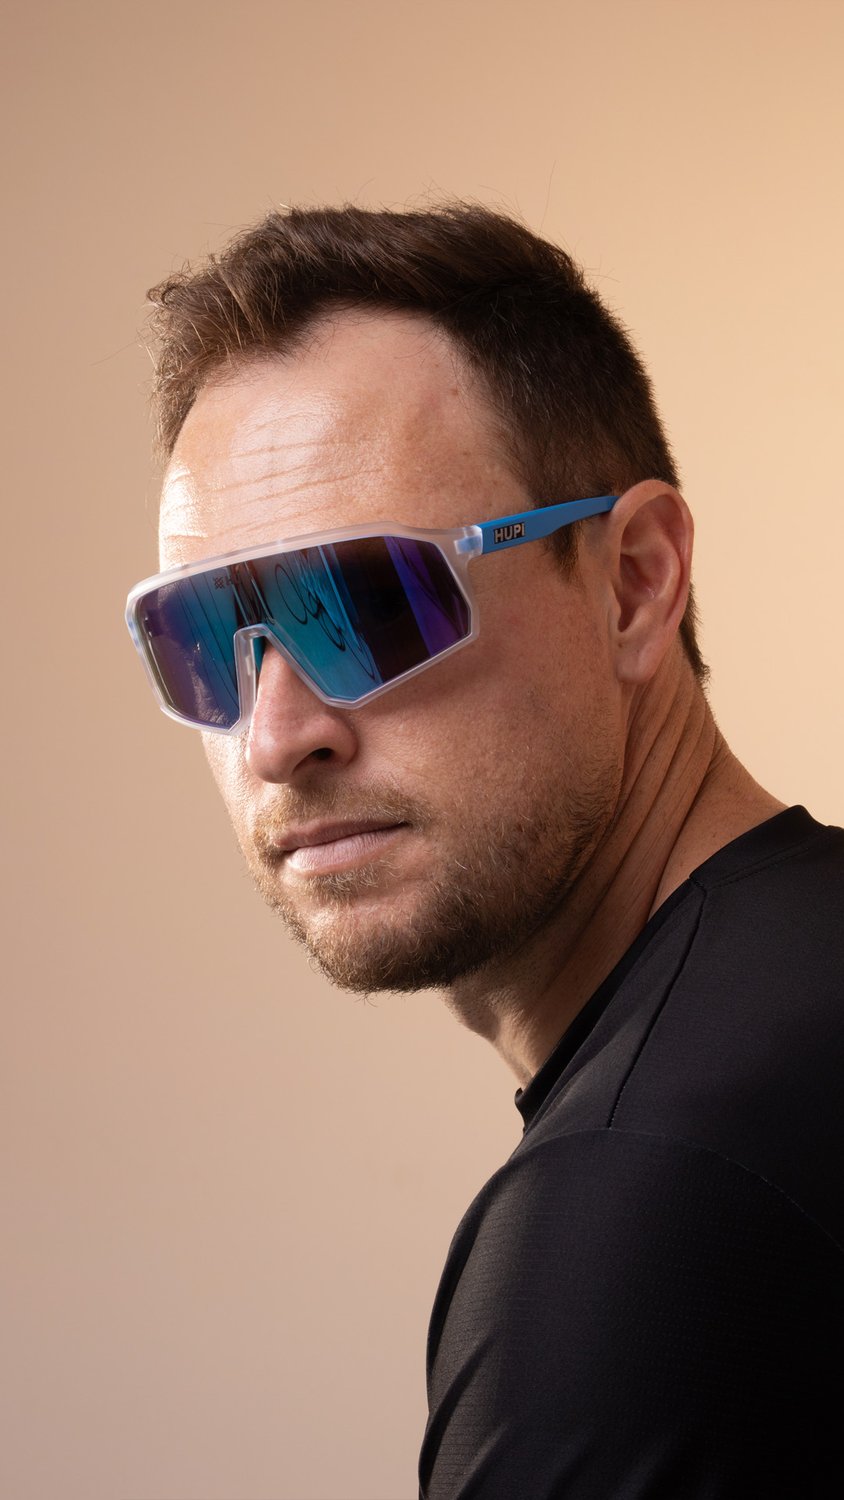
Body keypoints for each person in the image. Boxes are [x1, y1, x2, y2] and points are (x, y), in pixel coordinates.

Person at [126, 204, 844, 1497]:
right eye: (201, 640)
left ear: (634, 581)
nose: (276, 733)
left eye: (365, 603)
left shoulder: (639, 1206)